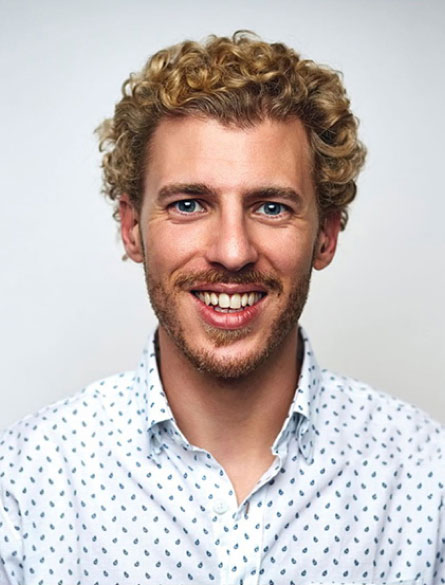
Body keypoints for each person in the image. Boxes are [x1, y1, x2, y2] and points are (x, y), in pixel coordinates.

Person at [0, 31, 443, 585]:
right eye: (189, 204)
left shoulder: (428, 480)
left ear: (326, 236)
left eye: (271, 207)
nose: (233, 252)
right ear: (132, 228)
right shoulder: (21, 485)